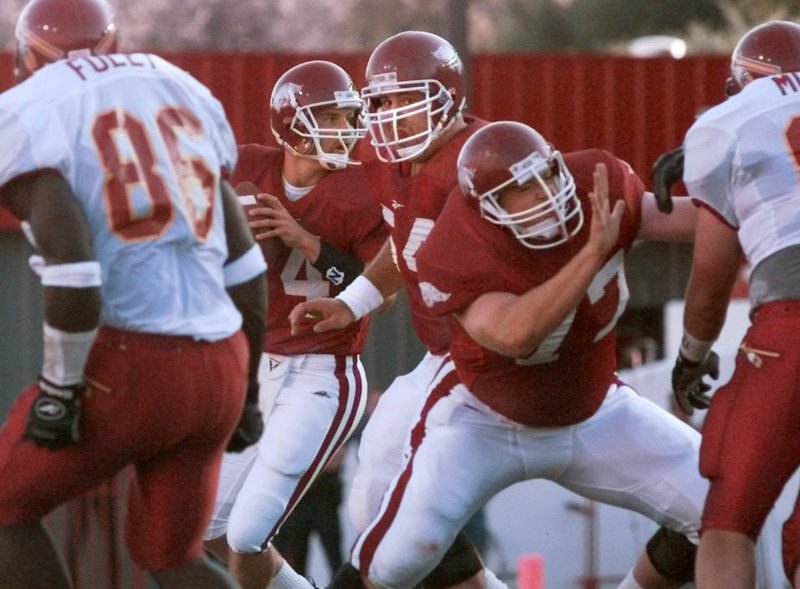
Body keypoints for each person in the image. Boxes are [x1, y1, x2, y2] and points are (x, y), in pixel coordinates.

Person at [336, 119, 707, 589]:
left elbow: (698, 221)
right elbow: (516, 334)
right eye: (521, 189)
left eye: (546, 175)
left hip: (592, 409)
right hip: (483, 419)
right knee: (395, 563)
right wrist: (591, 255)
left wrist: (737, 185)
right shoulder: (450, 248)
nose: (544, 193)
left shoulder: (596, 184)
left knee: (725, 509)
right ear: (487, 210)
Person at [0, 0, 268, 588]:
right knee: (175, 557)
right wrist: (247, 394)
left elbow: (75, 270)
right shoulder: (180, 86)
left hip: (135, 365)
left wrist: (59, 390)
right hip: (222, 360)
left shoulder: (27, 111)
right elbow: (246, 266)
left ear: (27, 57)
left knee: (4, 512)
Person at [289, 31, 507, 589]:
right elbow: (402, 239)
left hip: (515, 361)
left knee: (704, 503)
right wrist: (352, 300)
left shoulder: (487, 159)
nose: (388, 116)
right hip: (448, 357)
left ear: (445, 94)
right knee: (374, 503)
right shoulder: (386, 162)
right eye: (380, 102)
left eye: (404, 99)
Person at [202, 60, 388, 589]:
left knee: (246, 534)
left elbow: (382, 291)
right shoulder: (246, 169)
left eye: (347, 117)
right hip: (258, 371)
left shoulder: (362, 191)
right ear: (291, 125)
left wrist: (305, 239)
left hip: (321, 374)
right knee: (208, 524)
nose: (344, 130)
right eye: (328, 117)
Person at [668, 20, 800, 589]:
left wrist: (691, 357)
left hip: (792, 324)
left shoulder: (725, 125)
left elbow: (711, 278)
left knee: (727, 525)